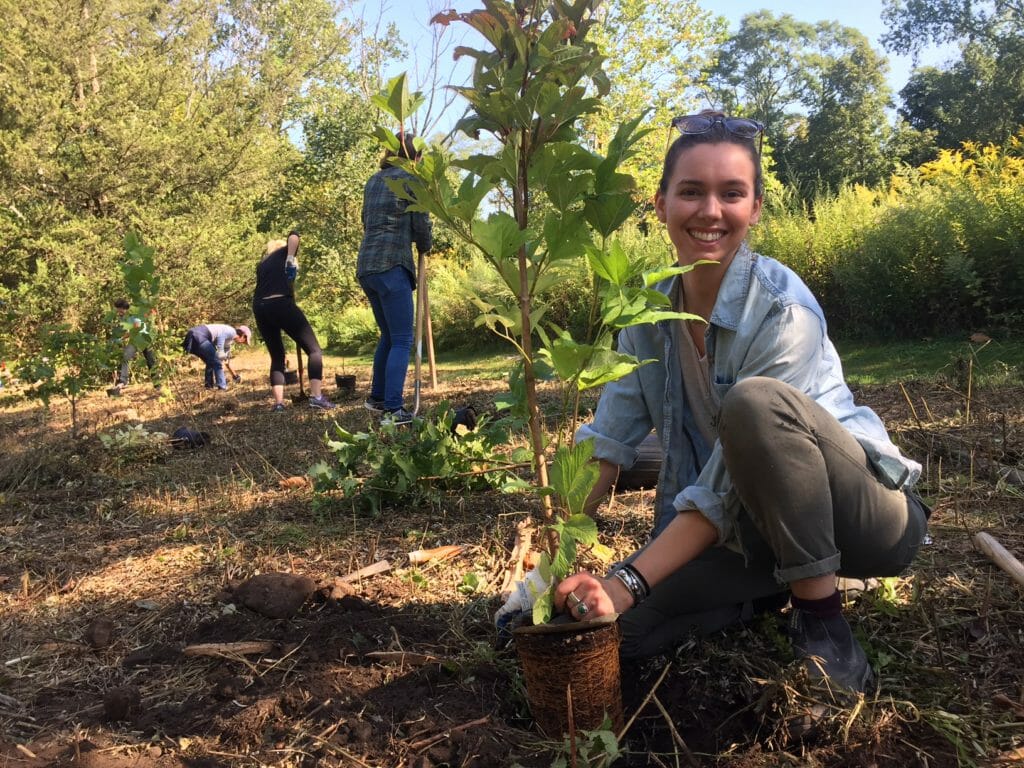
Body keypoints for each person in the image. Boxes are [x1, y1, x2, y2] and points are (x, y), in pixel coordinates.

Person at [547, 113, 929, 699]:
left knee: (754, 406)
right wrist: (555, 561)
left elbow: (722, 485)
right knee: (622, 630)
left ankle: (825, 624)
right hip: (751, 533)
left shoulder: (781, 309)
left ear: (754, 209)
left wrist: (628, 577)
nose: (710, 211)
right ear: (660, 203)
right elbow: (608, 442)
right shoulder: (645, 312)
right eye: (691, 191)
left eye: (732, 193)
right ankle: (763, 591)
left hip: (869, 520)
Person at [356, 132, 432, 426]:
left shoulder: (374, 181)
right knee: (403, 339)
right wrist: (425, 244)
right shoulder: (412, 180)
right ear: (416, 156)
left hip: (367, 266)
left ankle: (377, 397)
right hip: (392, 265)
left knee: (388, 335)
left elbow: (367, 220)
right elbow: (420, 221)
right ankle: (393, 408)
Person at [253, 231, 335, 411]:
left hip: (260, 307)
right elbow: (294, 235)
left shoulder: (263, 264)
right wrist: (290, 256)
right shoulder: (283, 253)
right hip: (280, 303)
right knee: (314, 350)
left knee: (277, 356)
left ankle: (279, 404)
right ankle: (317, 397)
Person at [182, 323, 250, 390]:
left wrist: (235, 376)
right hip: (199, 335)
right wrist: (220, 352)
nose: (243, 343)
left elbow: (226, 361)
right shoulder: (232, 331)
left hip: (192, 337)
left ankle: (208, 386)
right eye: (245, 341)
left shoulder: (229, 341)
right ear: (243, 335)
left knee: (211, 362)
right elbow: (221, 336)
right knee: (217, 362)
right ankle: (222, 387)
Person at [112, 298, 159, 392]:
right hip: (134, 341)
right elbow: (127, 329)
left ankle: (157, 384)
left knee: (150, 360)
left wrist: (122, 338)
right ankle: (123, 381)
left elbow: (136, 326)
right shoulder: (123, 317)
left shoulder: (134, 312)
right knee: (125, 357)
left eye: (119, 310)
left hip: (144, 339)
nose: (118, 312)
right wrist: (120, 338)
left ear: (123, 308)